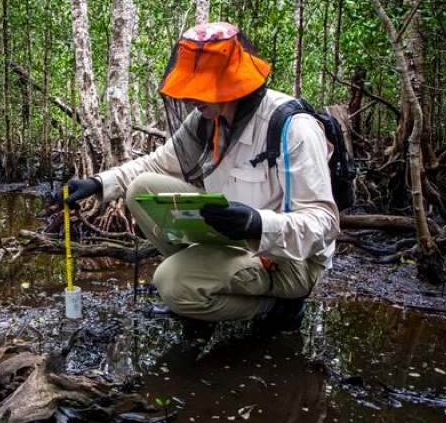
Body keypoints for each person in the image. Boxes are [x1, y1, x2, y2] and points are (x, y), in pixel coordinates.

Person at [61, 22, 340, 335]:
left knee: (170, 281)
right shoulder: (207, 120)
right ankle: (201, 290)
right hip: (234, 241)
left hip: (290, 262)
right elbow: (157, 163)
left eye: (204, 87)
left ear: (234, 83)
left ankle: (275, 308)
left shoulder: (293, 127)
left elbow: (324, 223)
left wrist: (258, 223)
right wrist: (100, 183)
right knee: (141, 189)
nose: (193, 97)